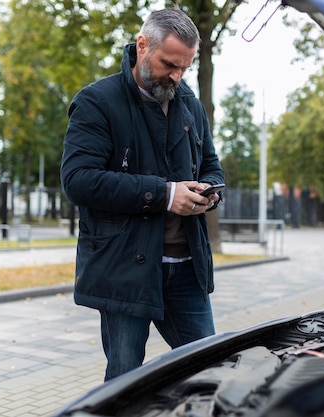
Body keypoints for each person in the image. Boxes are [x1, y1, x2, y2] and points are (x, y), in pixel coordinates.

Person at [60, 7, 225, 381]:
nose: (177, 77)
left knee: (213, 371)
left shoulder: (191, 105)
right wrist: (166, 195)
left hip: (187, 270)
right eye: (169, 64)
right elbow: (79, 180)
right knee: (124, 381)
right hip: (125, 270)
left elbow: (212, 166)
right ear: (142, 45)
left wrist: (210, 192)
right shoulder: (96, 101)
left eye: (185, 67)